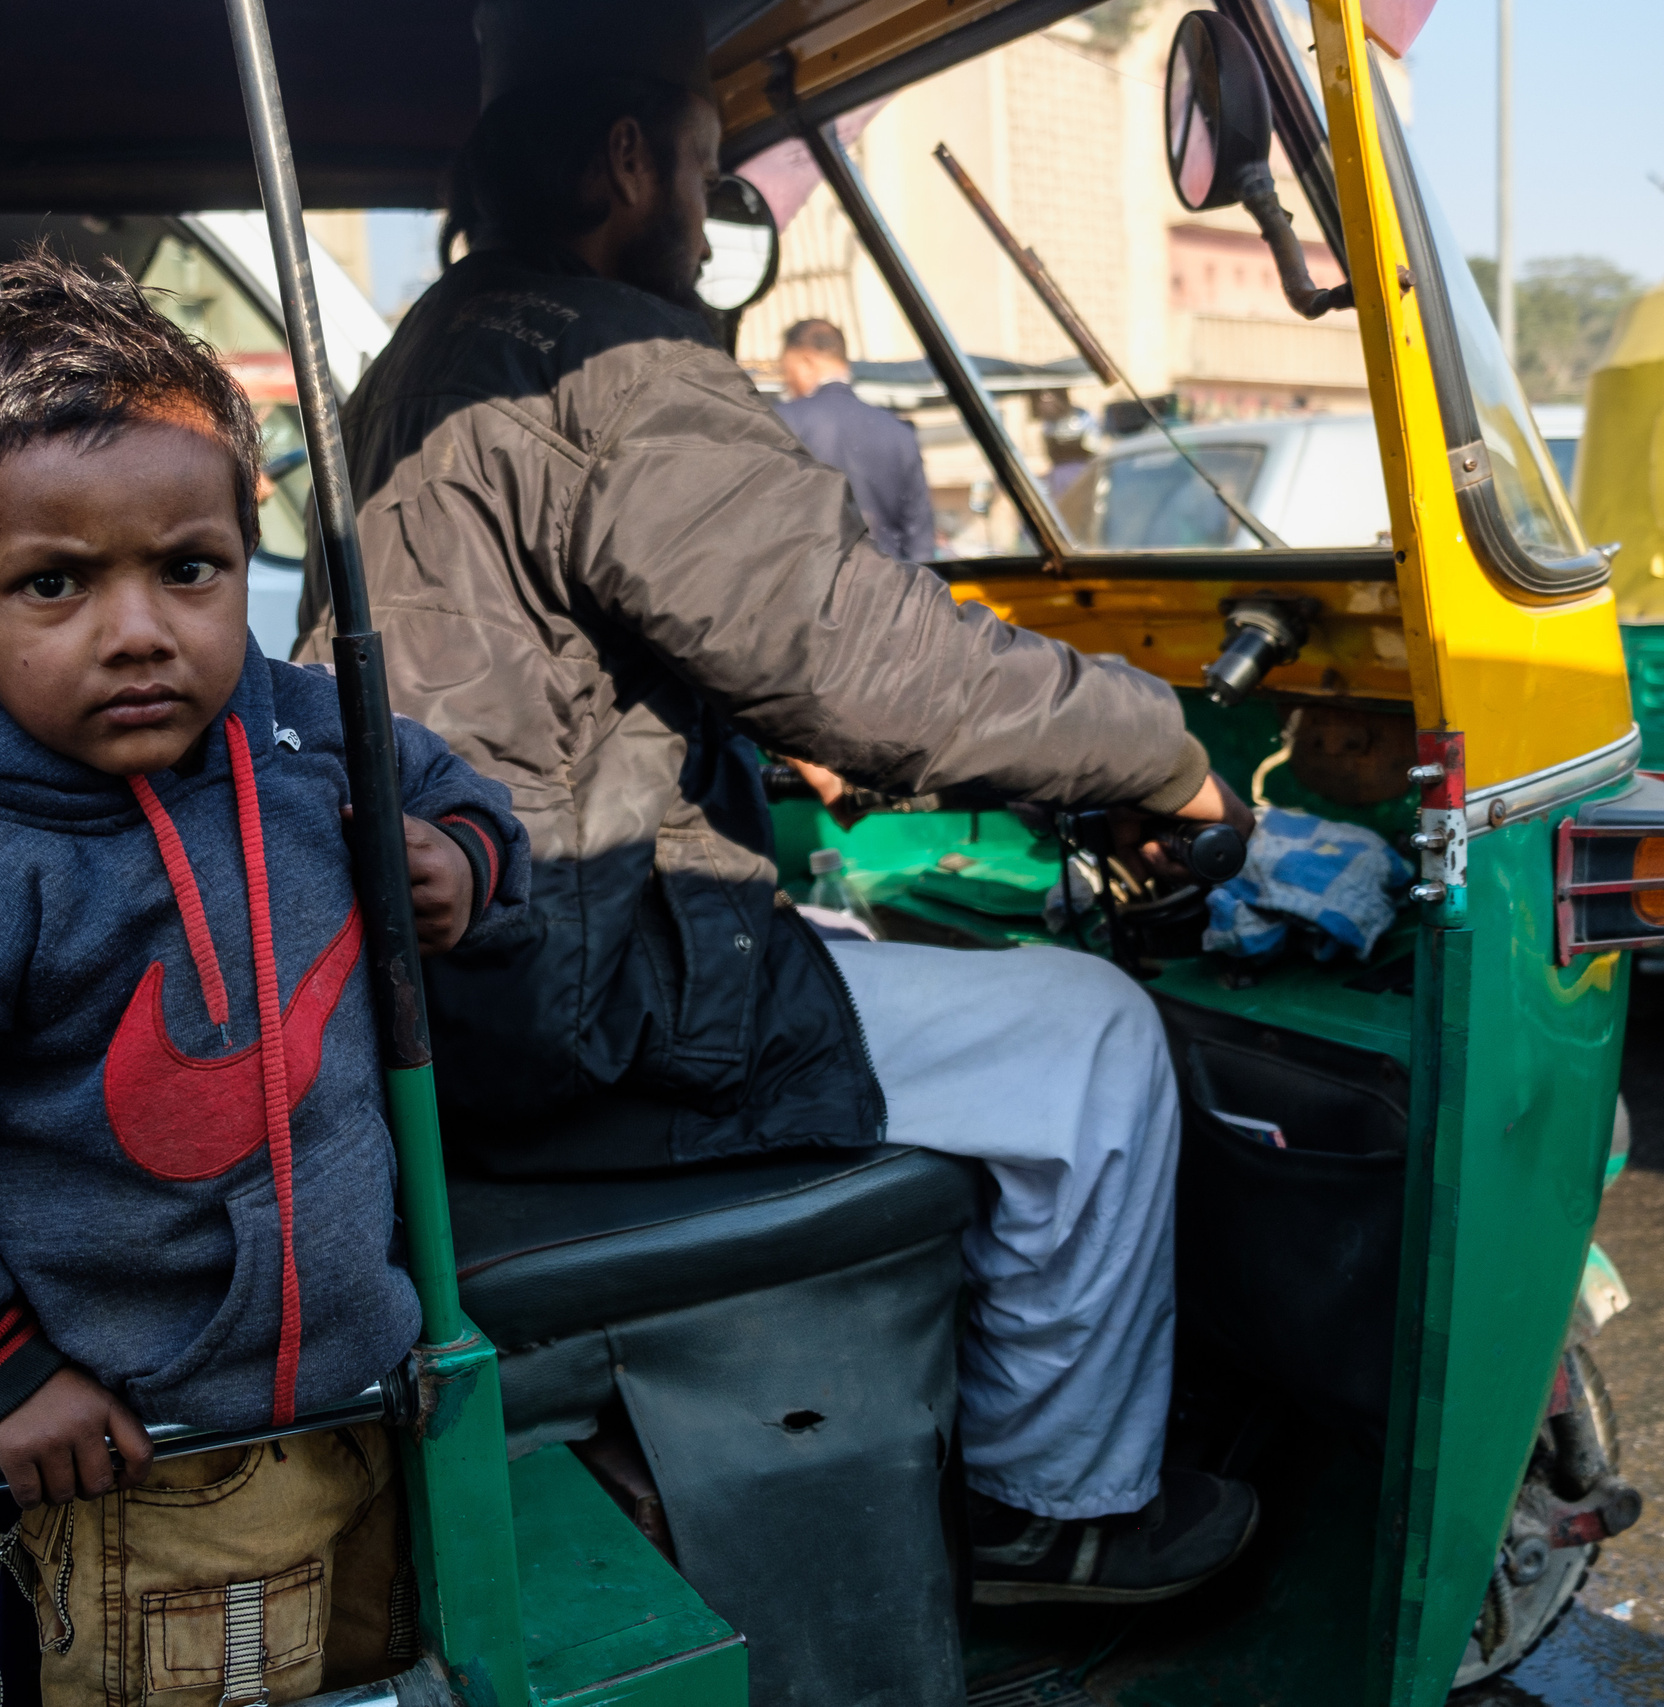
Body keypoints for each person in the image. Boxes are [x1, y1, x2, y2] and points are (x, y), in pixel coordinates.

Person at [301, 0, 1266, 1606]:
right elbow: (850, 655)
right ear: (627, 159)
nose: (705, 213)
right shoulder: (610, 354)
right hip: (572, 999)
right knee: (1091, 1036)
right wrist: (1156, 751)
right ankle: (1058, 1507)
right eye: (700, 166)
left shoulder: (436, 349)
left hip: (475, 973)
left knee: (858, 939)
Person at [0, 252, 528, 1707]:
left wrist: (459, 853)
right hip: (153, 1480)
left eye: (187, 567)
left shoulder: (299, 729)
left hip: (377, 1408)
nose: (138, 627)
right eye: (55, 583)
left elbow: (454, 785)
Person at [774, 318, 937, 561]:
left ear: (806, 361)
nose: (785, 381)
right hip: (886, 587)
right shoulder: (899, 431)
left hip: (809, 585)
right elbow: (920, 538)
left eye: (786, 371)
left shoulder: (782, 422)